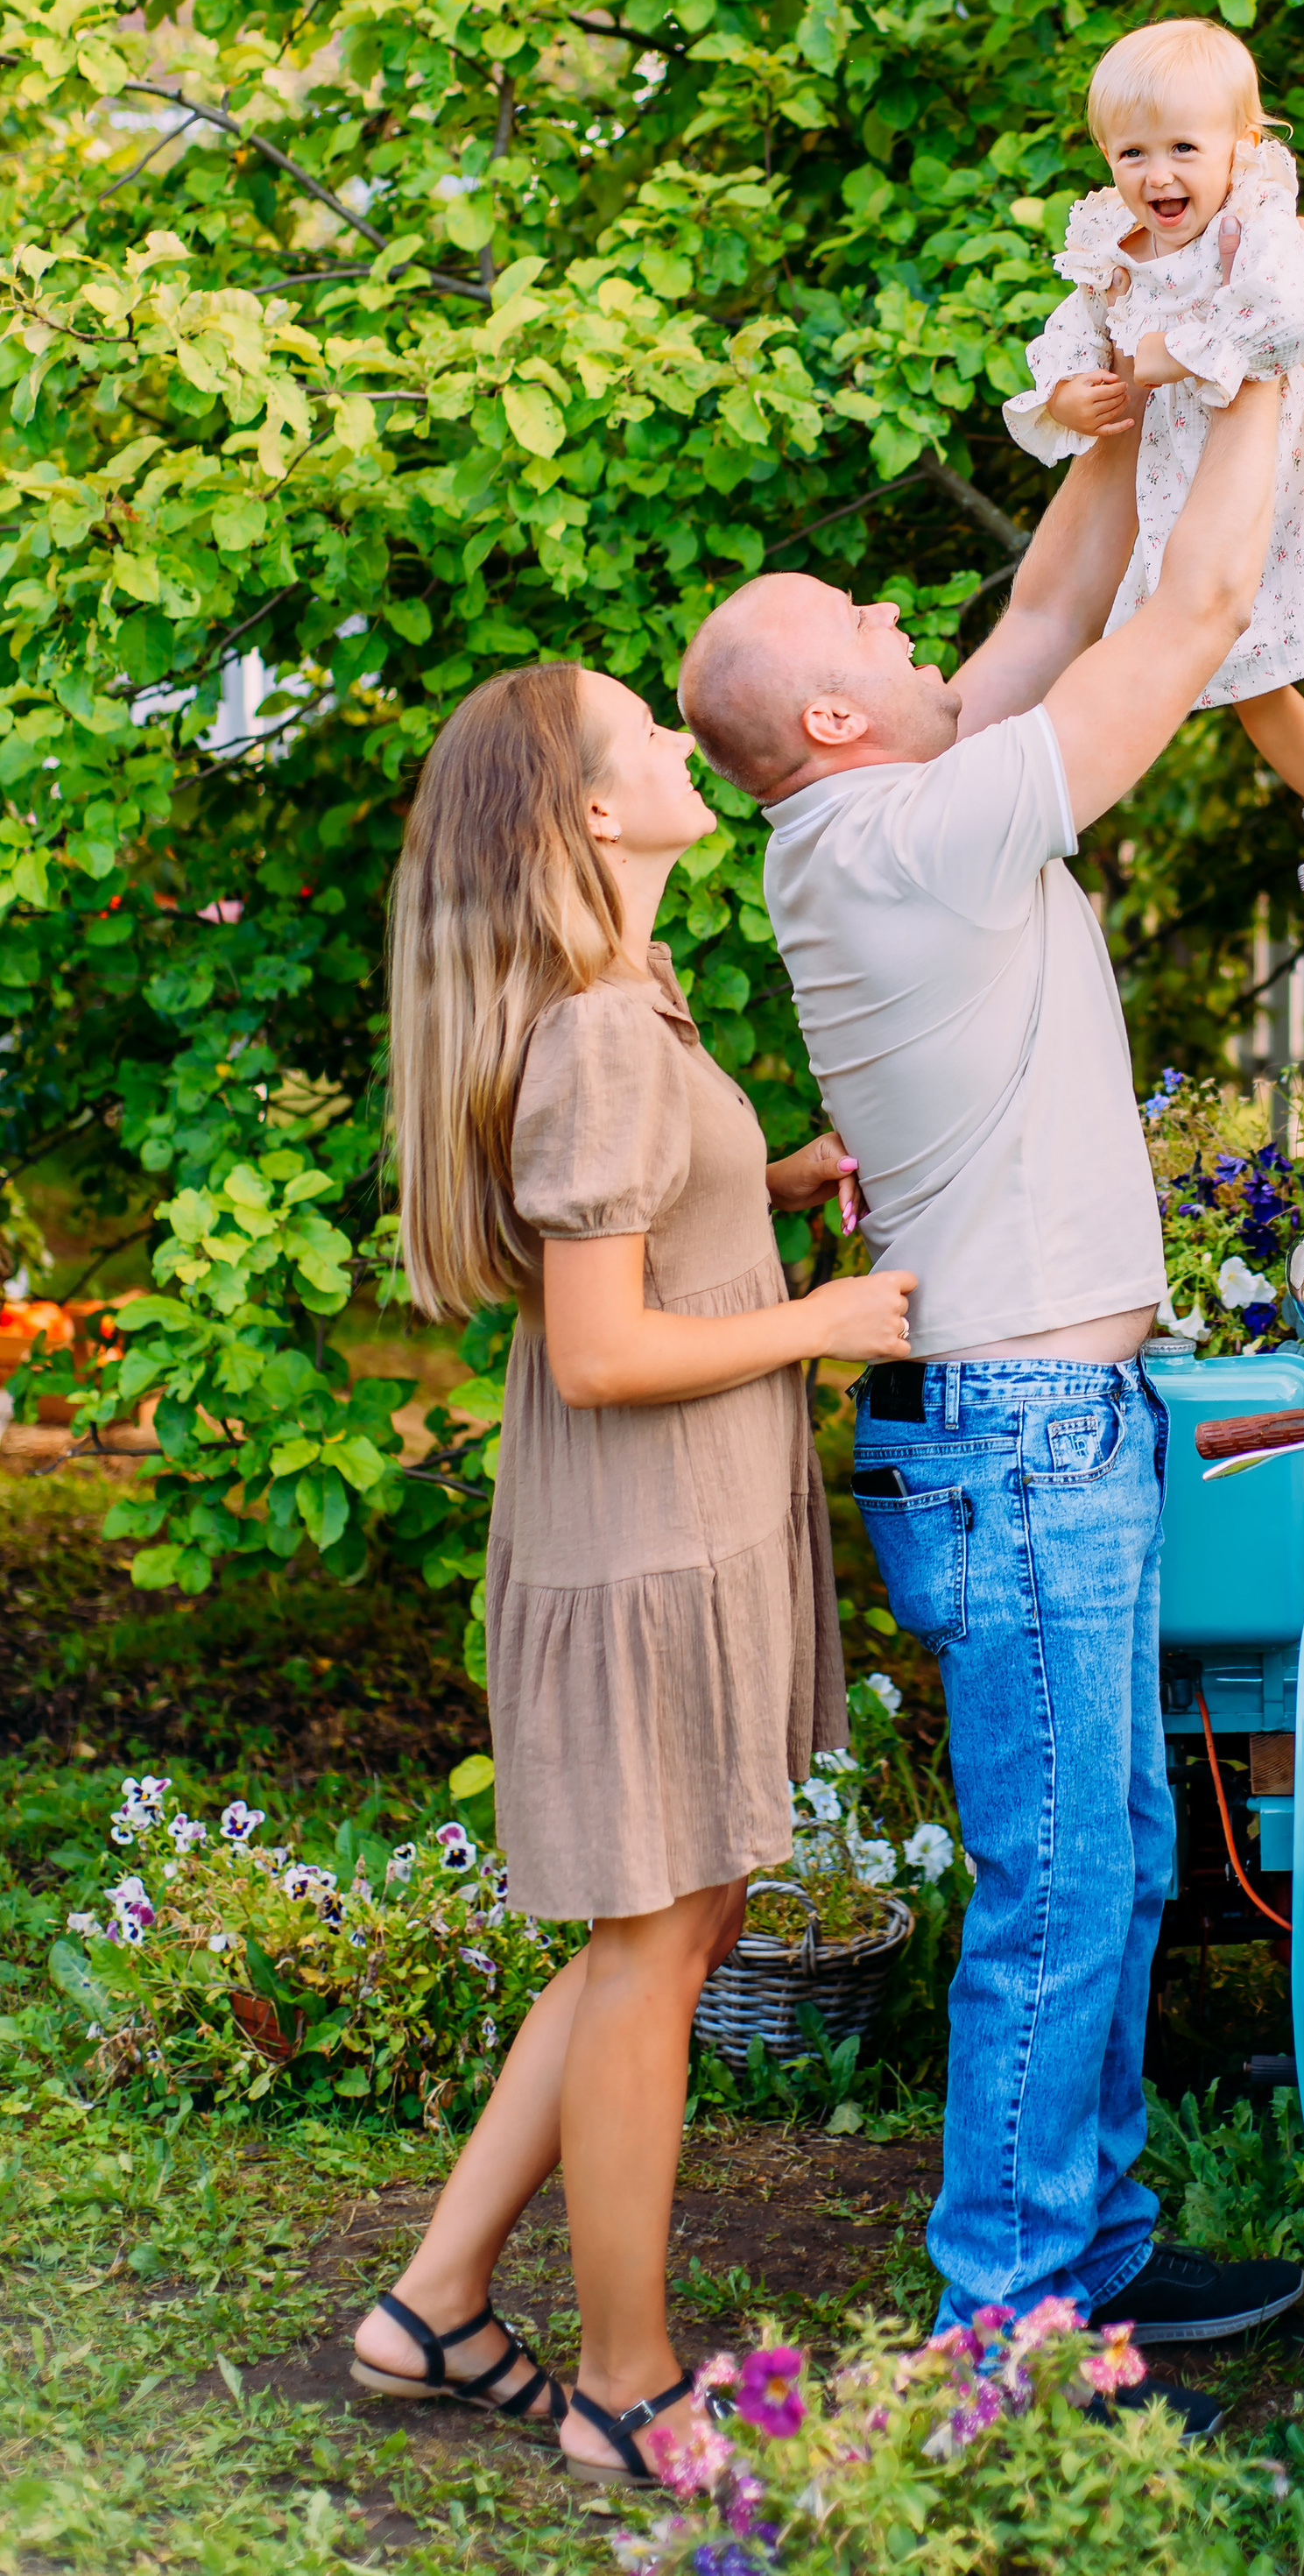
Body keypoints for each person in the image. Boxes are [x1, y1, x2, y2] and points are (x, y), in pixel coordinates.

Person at [677, 342, 1304, 2412]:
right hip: (1025, 1444)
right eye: (868, 622)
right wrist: (1261, 358)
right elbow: (1184, 620)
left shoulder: (889, 808)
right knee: (1063, 1879)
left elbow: (1048, 611)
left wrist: (1120, 433)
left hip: (1047, 1433)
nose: (906, 619)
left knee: (1109, 1846)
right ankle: (1000, 2320)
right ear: (838, 715)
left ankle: (1090, 2244)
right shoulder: (901, 845)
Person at [352, 663, 913, 2488]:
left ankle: (435, 2302)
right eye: (644, 736)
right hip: (642, 1541)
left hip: (681, 1524)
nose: (681, 747)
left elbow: (655, 1239)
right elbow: (600, 1350)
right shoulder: (598, 1028)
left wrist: (776, 1186)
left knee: (663, 1934)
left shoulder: (631, 1008)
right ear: (595, 815)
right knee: (656, 1947)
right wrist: (825, 1319)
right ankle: (623, 2379)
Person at [1000, 13, 1304, 926]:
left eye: (1183, 148)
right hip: (1183, 494)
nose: (1157, 176)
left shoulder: (1258, 224)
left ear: (1241, 142)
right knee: (1230, 666)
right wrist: (1069, 391)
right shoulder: (1113, 245)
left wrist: (1164, 355)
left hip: (1287, 477)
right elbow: (1077, 331)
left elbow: (1285, 320)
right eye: (1130, 153)